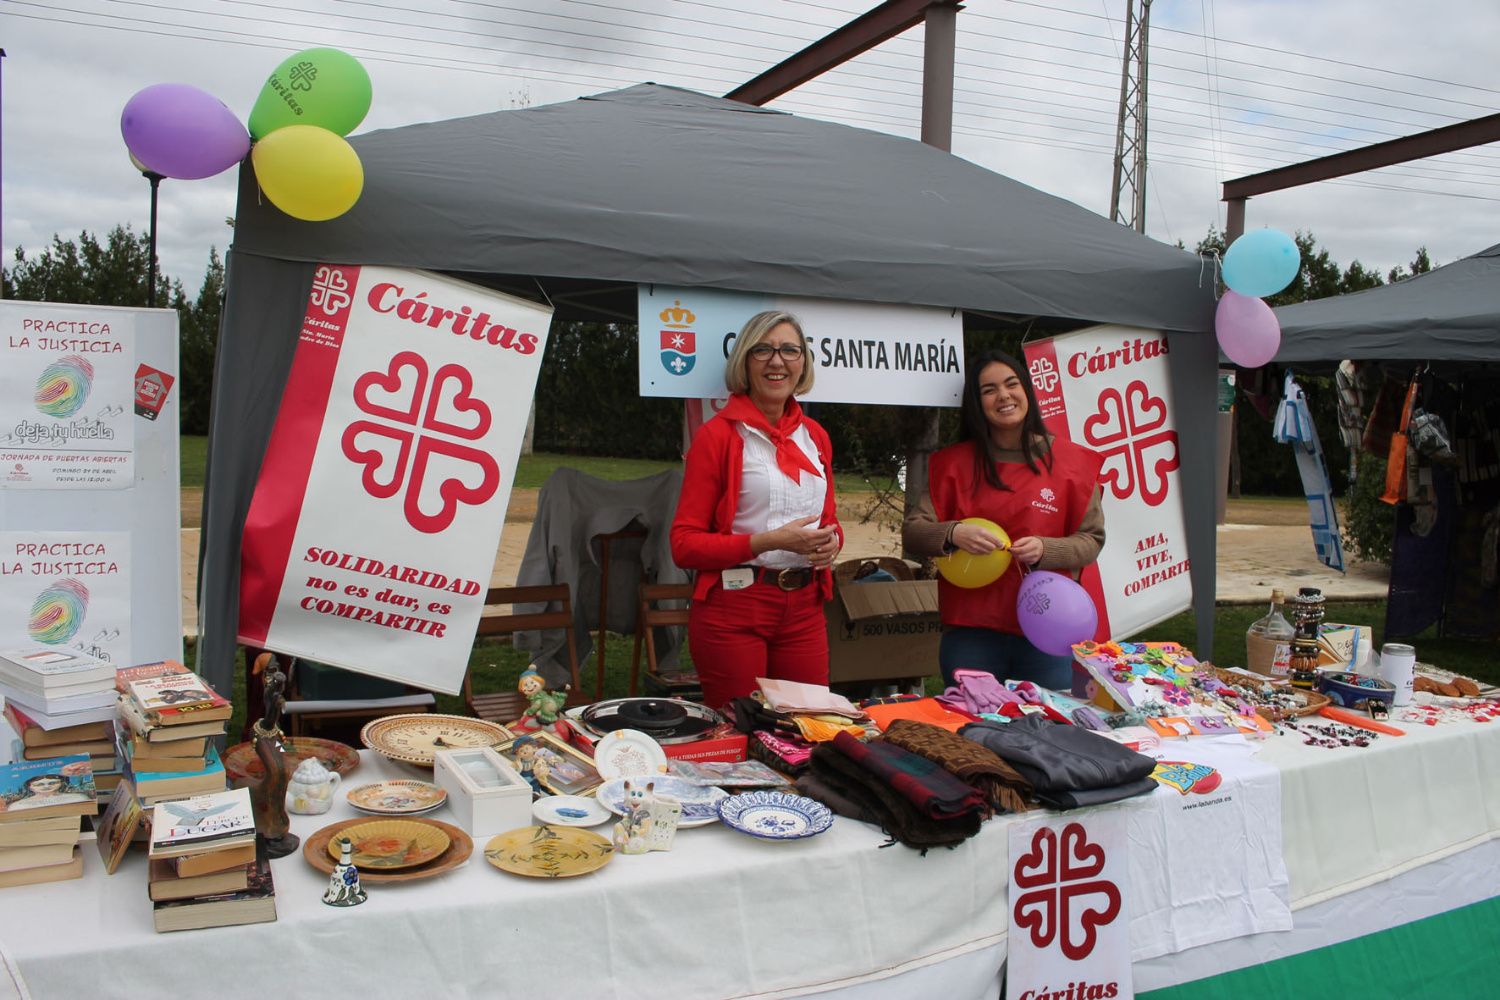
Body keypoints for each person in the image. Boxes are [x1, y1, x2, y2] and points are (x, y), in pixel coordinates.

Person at [903, 349, 1105, 690]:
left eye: (1012, 384)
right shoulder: (953, 465)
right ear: (976, 403)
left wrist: (1046, 549)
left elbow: (1092, 540)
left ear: (1027, 390)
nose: (1004, 396)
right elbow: (913, 532)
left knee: (1046, 721)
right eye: (989, 390)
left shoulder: (1073, 464)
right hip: (971, 633)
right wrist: (953, 533)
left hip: (1048, 628)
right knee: (970, 722)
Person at [670, 310, 842, 710]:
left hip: (804, 609)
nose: (777, 361)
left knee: (810, 726)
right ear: (744, 362)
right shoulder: (716, 436)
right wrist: (766, 541)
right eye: (763, 350)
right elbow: (683, 544)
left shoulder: (816, 436)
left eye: (789, 350)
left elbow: (829, 520)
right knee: (742, 731)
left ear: (803, 363)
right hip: (734, 610)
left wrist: (832, 543)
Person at [8, 773, 92, 810]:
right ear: (30, 787)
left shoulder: (79, 798)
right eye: (39, 784)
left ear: (61, 783)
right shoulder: (18, 805)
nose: (46, 787)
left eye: (52, 783)